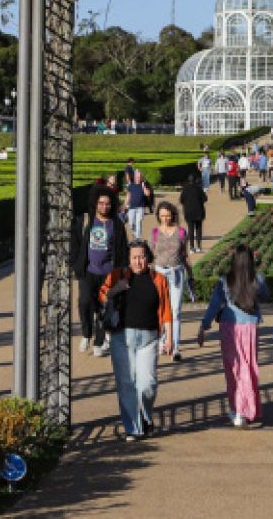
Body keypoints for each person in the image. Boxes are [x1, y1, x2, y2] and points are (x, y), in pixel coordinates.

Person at [98, 240, 173, 441]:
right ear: (129, 259)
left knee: (147, 384)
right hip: (122, 337)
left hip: (149, 338)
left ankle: (146, 417)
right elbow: (102, 296)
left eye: (142, 257)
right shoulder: (117, 276)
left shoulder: (158, 279)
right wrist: (117, 289)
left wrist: (169, 338)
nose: (138, 261)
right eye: (134, 258)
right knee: (126, 383)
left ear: (148, 258)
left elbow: (166, 310)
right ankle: (133, 428)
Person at [199, 244, 270, 427]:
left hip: (229, 326)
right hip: (250, 326)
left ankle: (238, 409)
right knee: (249, 367)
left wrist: (204, 325)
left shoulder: (225, 281)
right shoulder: (258, 279)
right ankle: (245, 408)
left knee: (233, 370)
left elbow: (214, 305)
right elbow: (265, 296)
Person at [73, 187, 131, 355]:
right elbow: (76, 244)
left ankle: (99, 342)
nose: (104, 207)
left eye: (108, 204)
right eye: (101, 203)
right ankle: (86, 333)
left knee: (104, 308)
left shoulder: (117, 224)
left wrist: (122, 273)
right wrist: (76, 264)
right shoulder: (86, 221)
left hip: (108, 273)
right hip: (88, 271)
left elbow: (122, 250)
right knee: (84, 302)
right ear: (95, 204)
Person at [151, 201, 194, 362]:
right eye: (162, 216)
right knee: (161, 309)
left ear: (173, 215)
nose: (165, 218)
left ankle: (175, 347)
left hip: (176, 272)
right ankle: (162, 340)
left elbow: (184, 255)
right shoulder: (155, 233)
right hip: (159, 273)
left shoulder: (181, 232)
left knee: (176, 311)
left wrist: (191, 275)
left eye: (168, 215)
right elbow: (150, 255)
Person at [179, 174, 208, 254]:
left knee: (190, 230)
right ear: (195, 180)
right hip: (198, 211)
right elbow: (205, 199)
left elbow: (181, 200)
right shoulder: (199, 188)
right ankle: (198, 246)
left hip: (189, 212)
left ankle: (192, 247)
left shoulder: (185, 189)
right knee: (198, 229)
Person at [125, 171, 147, 238]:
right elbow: (128, 196)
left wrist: (143, 187)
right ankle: (135, 233)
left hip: (141, 207)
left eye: (140, 176)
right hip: (131, 207)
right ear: (134, 177)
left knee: (138, 223)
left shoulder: (144, 185)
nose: (138, 178)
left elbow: (147, 194)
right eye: (137, 176)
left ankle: (138, 238)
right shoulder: (131, 185)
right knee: (131, 223)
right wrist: (125, 205)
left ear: (141, 177)